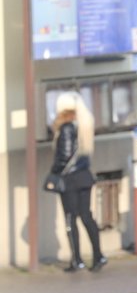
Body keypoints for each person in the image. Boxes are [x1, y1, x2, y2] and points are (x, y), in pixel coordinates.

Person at [50, 92, 106, 273]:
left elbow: (64, 155)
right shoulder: (83, 124)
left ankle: (77, 260)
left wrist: (54, 172)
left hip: (70, 179)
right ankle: (99, 256)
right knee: (87, 216)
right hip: (84, 176)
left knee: (70, 218)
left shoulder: (66, 127)